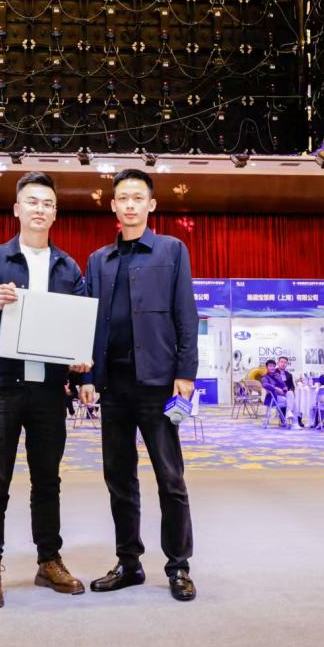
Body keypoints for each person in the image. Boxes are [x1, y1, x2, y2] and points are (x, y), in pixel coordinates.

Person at [0, 171, 88, 609]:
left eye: (47, 203)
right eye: (32, 201)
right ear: (17, 209)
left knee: (48, 481)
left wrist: (81, 364)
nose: (39, 209)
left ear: (55, 213)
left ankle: (49, 561)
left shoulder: (68, 267)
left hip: (50, 392)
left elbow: (80, 327)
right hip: (3, 391)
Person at [84, 168, 198, 603]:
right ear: (113, 206)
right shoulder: (99, 260)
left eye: (137, 197)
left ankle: (178, 565)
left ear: (151, 204)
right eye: (122, 198)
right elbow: (91, 322)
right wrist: (88, 377)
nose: (129, 204)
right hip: (113, 387)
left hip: (159, 384)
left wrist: (185, 372)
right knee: (119, 478)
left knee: (170, 478)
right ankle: (129, 563)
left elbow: (186, 314)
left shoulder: (172, 250)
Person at [275, 355, 304, 427]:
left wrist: (291, 390)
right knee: (292, 399)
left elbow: (292, 386)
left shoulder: (289, 375)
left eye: (285, 362)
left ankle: (291, 416)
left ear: (287, 364)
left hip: (288, 394)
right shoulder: (274, 373)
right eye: (282, 362)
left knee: (297, 399)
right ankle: (296, 421)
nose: (283, 364)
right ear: (278, 363)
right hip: (278, 394)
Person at [260, 360, 290, 426]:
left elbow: (282, 383)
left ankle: (290, 415)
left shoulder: (277, 375)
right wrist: (276, 388)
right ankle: (291, 417)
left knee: (291, 396)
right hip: (273, 397)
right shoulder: (265, 376)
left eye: (273, 366)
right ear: (267, 367)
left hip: (282, 396)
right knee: (291, 402)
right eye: (270, 366)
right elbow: (265, 385)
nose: (272, 368)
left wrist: (285, 387)